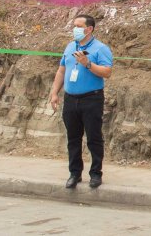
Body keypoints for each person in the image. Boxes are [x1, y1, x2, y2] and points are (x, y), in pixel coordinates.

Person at [49, 14, 114, 189]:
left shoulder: (101, 48)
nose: (75, 29)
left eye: (79, 26)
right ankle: (75, 173)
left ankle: (96, 173)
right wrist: (54, 92)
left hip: (91, 98)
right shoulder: (70, 46)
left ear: (89, 29)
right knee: (73, 138)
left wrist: (88, 64)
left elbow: (107, 72)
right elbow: (61, 70)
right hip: (70, 99)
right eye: (74, 25)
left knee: (94, 137)